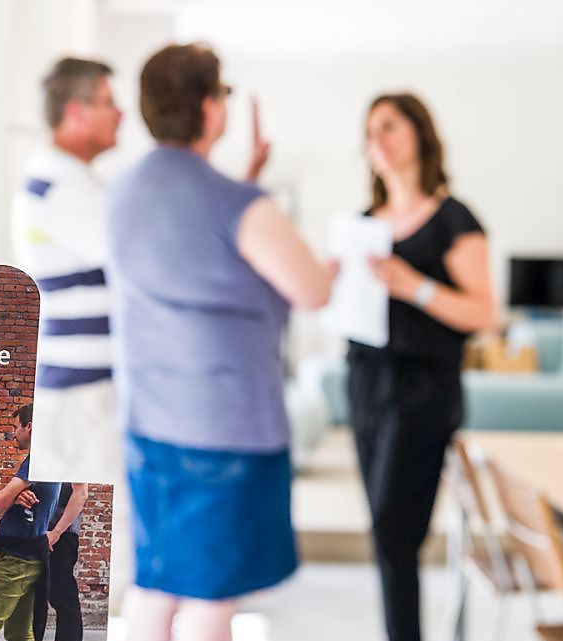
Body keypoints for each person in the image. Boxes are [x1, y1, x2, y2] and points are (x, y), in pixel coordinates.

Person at [106, 43, 333, 641]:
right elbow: (312, 290)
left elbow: (194, 242)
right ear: (211, 109)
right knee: (211, 597)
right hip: (226, 432)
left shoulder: (120, 192)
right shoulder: (243, 206)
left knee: (157, 582)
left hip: (149, 423)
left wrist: (246, 177)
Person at [349, 93, 497, 641]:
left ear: (419, 134)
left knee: (394, 528)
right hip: (365, 383)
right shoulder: (363, 224)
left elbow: (485, 314)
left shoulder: (453, 219)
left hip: (422, 391)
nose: (378, 141)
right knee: (385, 530)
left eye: (389, 126)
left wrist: (415, 286)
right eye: (370, 132)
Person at [10, 57, 122, 484]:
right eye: (108, 102)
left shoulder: (73, 180)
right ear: (75, 112)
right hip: (83, 396)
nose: (120, 113)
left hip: (88, 391)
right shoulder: (60, 187)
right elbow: (142, 262)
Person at [0, 404, 61, 641]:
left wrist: (10, 496)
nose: (14, 434)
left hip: (18, 560)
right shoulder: (50, 458)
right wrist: (17, 495)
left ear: (29, 427)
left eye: (15, 427)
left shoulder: (38, 460)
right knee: (19, 633)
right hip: (29, 557)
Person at [46, 482, 89, 641]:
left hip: (62, 533)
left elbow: (81, 494)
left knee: (62, 593)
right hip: (40, 531)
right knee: (36, 597)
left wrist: (56, 533)